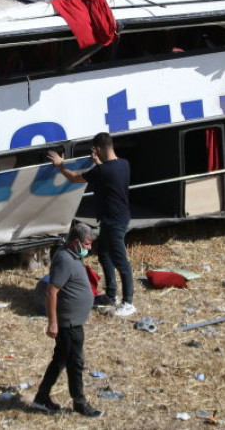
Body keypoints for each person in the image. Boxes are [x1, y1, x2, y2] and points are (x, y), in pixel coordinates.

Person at [48, 132, 136, 317]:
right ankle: (111, 295)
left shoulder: (102, 171)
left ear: (99, 149)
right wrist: (98, 162)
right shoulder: (124, 164)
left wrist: (60, 165)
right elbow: (109, 174)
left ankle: (128, 302)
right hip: (118, 217)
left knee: (121, 262)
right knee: (104, 255)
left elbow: (73, 178)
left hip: (113, 222)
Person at [31, 221, 103, 418]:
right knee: (75, 362)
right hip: (69, 324)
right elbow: (51, 291)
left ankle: (41, 397)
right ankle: (79, 402)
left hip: (74, 321)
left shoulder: (72, 255)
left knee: (61, 359)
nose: (89, 247)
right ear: (75, 241)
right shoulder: (64, 259)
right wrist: (52, 322)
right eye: (87, 244)